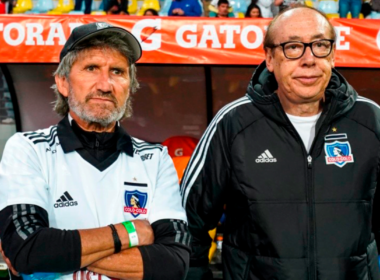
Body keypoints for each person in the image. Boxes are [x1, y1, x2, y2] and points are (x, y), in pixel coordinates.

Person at [182, 5, 380, 280]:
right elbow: (189, 225)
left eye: (320, 45)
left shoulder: (371, 121)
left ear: (333, 55)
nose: (309, 59)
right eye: (293, 47)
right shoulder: (233, 124)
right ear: (270, 59)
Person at [0, 22, 190, 280]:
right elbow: (26, 249)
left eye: (117, 72)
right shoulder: (28, 149)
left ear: (129, 87)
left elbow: (173, 264)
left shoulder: (155, 158)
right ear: (63, 83)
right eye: (91, 68)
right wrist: (130, 232)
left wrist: (59, 253)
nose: (105, 84)